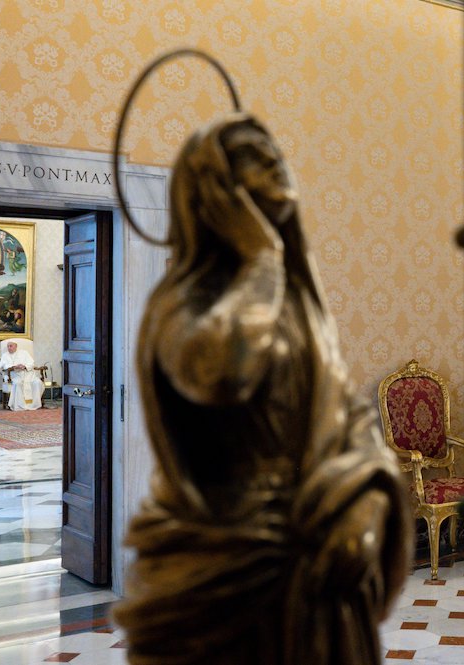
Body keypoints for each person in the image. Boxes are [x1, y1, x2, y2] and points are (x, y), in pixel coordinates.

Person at [112, 114, 411, 665]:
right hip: (223, 556)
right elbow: (223, 372)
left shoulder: (301, 306)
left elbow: (348, 411)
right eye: (252, 154)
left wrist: (366, 503)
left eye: (274, 150)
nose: (274, 158)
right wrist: (262, 257)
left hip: (317, 556)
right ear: (215, 190)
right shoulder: (181, 303)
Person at [0, 340, 42, 410]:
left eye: (11, 346)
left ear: (16, 346)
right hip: (13, 374)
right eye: (8, 346)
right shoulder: (5, 355)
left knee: (37, 382)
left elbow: (31, 363)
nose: (9, 348)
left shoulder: (24, 353)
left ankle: (34, 404)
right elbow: (3, 366)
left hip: (28, 374)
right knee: (17, 383)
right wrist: (14, 366)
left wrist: (24, 366)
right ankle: (19, 405)